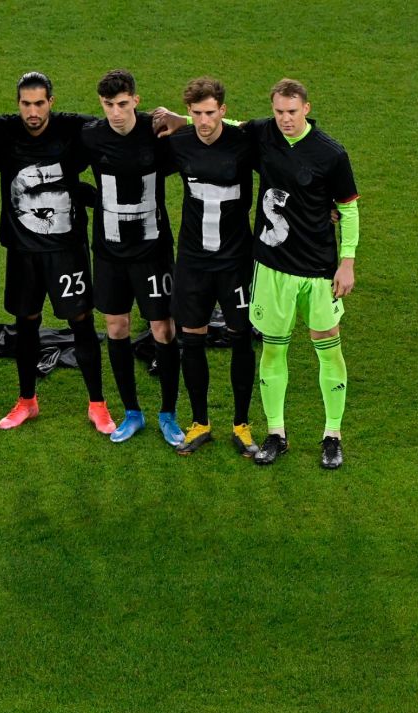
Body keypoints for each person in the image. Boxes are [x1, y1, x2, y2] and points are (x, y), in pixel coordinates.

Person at [0, 72, 115, 434]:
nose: (33, 111)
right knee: (26, 324)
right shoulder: (3, 131)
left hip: (66, 250)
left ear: (51, 102)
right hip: (22, 251)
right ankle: (27, 401)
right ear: (18, 104)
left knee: (81, 323)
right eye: (26, 104)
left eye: (40, 103)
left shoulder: (74, 129)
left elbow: (117, 129)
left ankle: (98, 405)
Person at [242, 80, 359, 469]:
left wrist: (347, 261)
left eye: (292, 111)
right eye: (278, 112)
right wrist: (181, 119)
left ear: (307, 108)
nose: (285, 119)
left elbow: (349, 209)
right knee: (274, 349)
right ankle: (276, 433)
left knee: (328, 347)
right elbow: (221, 124)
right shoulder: (263, 134)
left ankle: (332, 435)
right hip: (273, 268)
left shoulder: (331, 153)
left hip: (318, 270)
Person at [78, 69, 184, 445]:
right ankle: (132, 413)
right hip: (108, 253)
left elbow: (211, 140)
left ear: (136, 101)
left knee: (163, 329)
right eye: (109, 105)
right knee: (116, 328)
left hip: (152, 252)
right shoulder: (91, 135)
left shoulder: (158, 134)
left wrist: (183, 118)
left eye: (123, 104)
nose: (116, 113)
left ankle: (168, 415)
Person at [163, 77, 259, 457]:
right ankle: (200, 422)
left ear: (223, 110)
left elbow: (283, 167)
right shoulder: (178, 143)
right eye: (196, 113)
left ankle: (241, 424)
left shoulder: (245, 143)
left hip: (235, 261)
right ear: (189, 112)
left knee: (240, 336)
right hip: (193, 261)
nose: (203, 121)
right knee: (192, 338)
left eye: (210, 112)